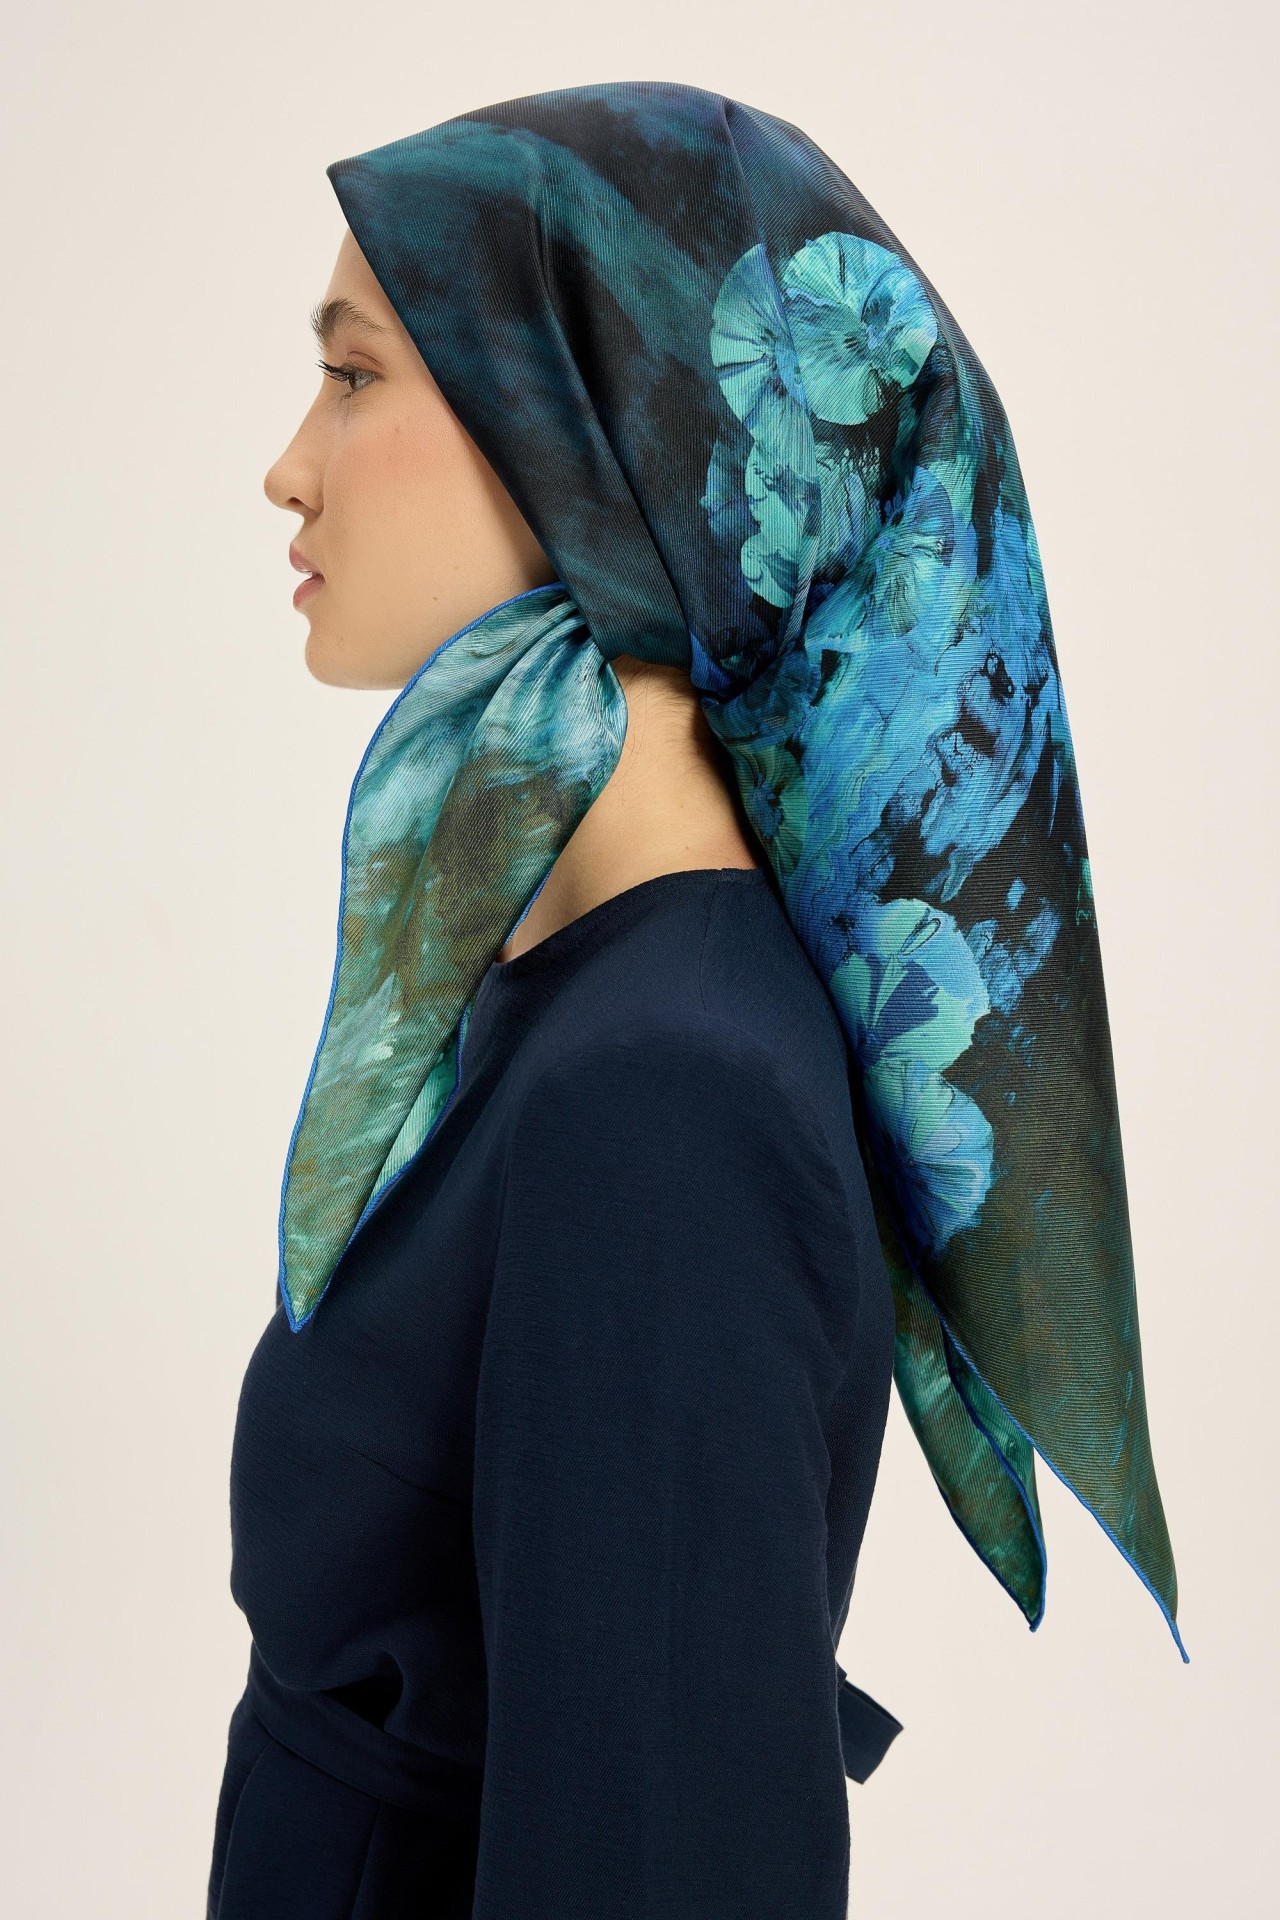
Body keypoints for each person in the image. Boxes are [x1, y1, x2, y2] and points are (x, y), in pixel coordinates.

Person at [207, 81, 1181, 1920]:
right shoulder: (580, 1008)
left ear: (588, 436)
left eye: (351, 376)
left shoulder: (661, 1097)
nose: (288, 466)